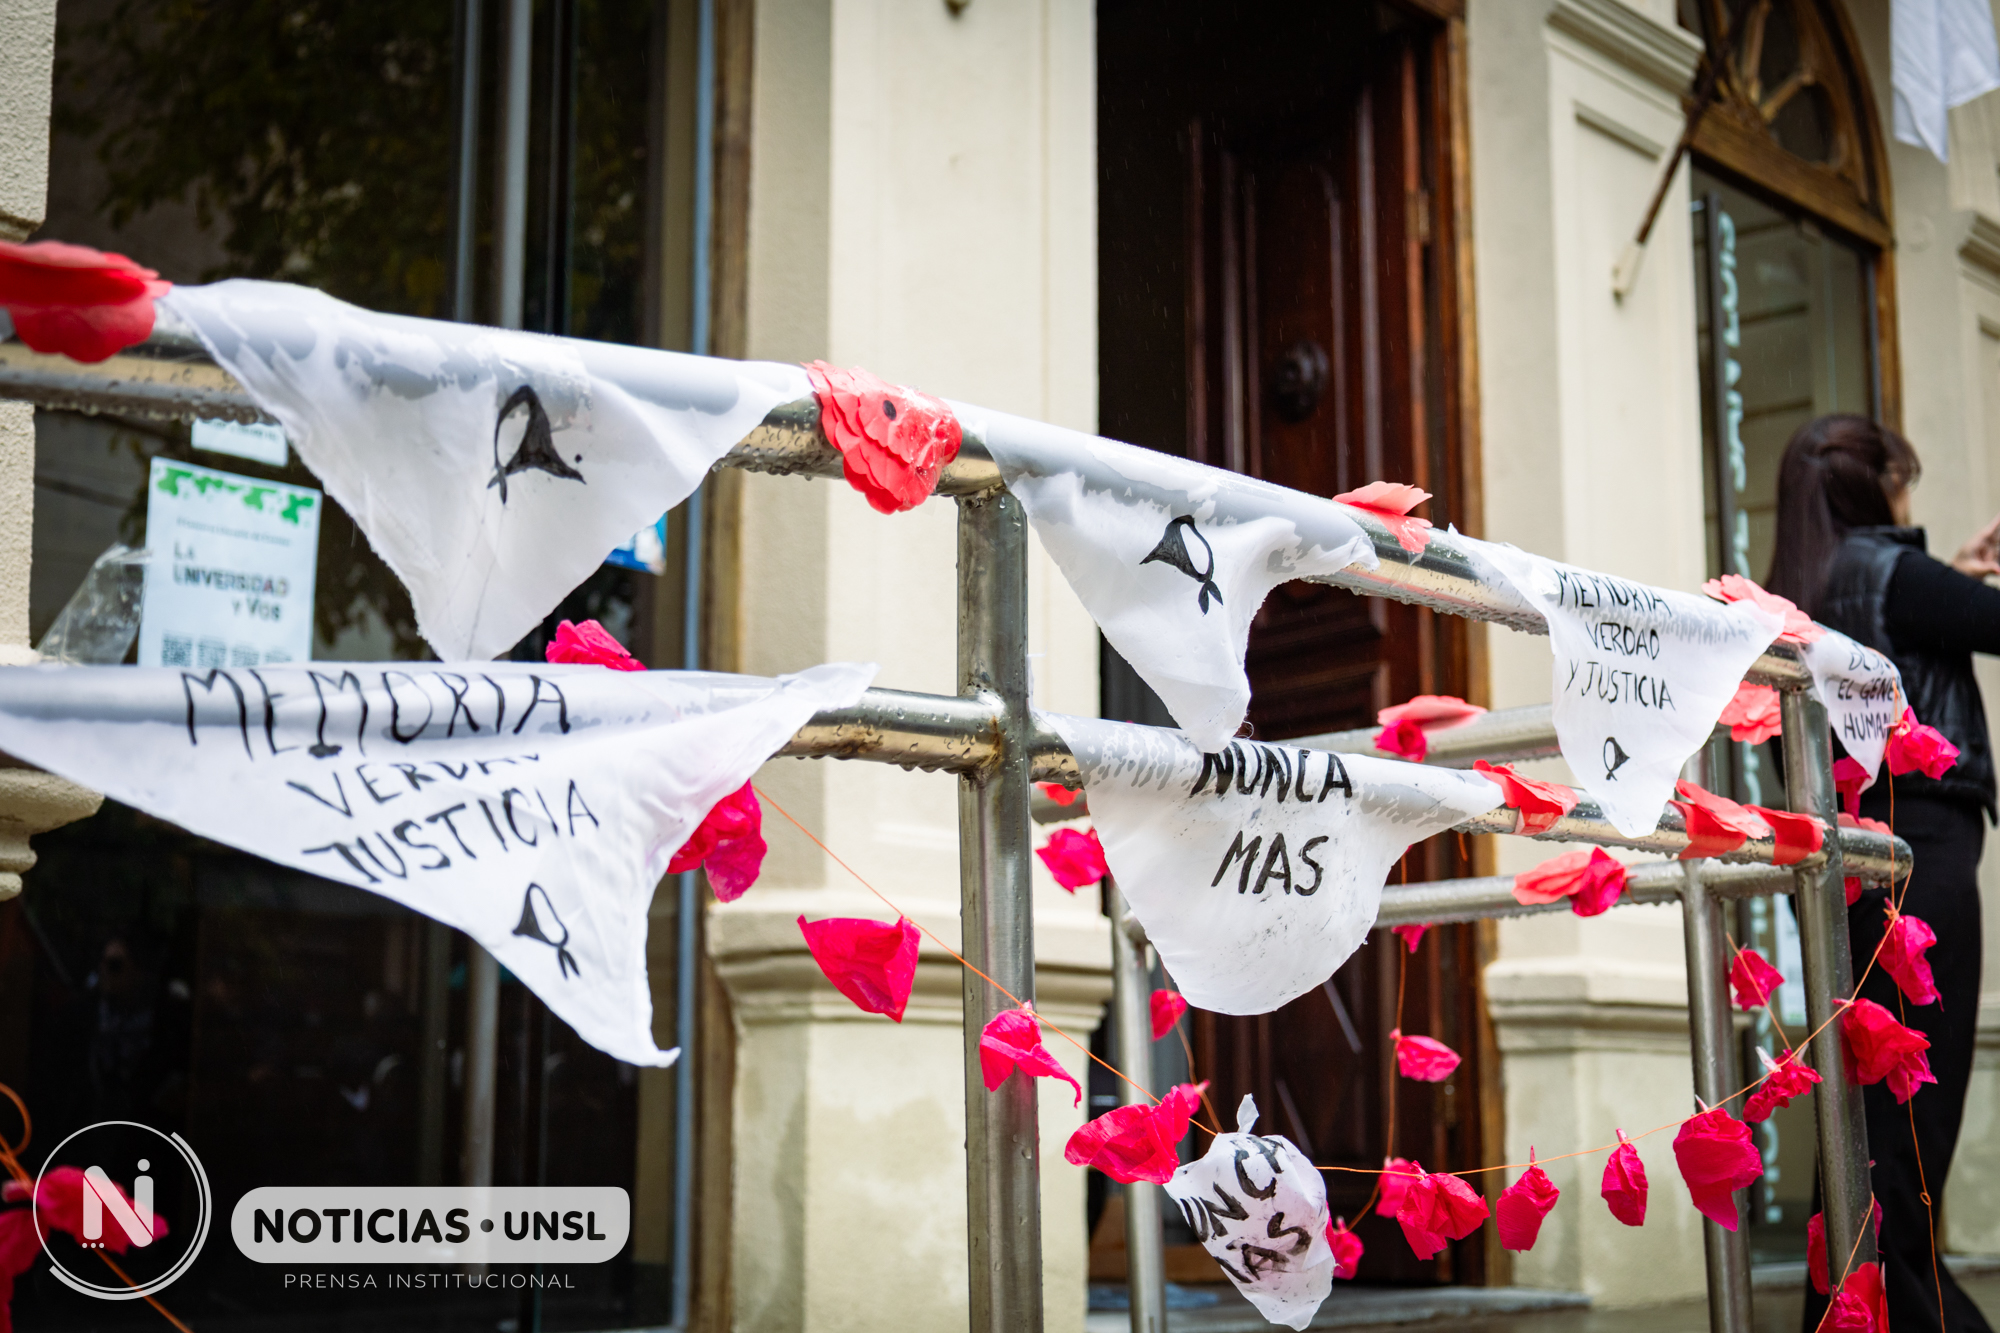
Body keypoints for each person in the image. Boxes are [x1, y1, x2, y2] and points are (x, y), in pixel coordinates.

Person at [1767, 413, 2000, 1333]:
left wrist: (1949, 574)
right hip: (1921, 864)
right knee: (1910, 1124)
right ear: (1877, 487)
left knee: (1860, 1126)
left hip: (1850, 874)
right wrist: (1950, 579)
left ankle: (1844, 1311)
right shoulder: (1893, 573)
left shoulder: (1802, 591)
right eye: (1902, 481)